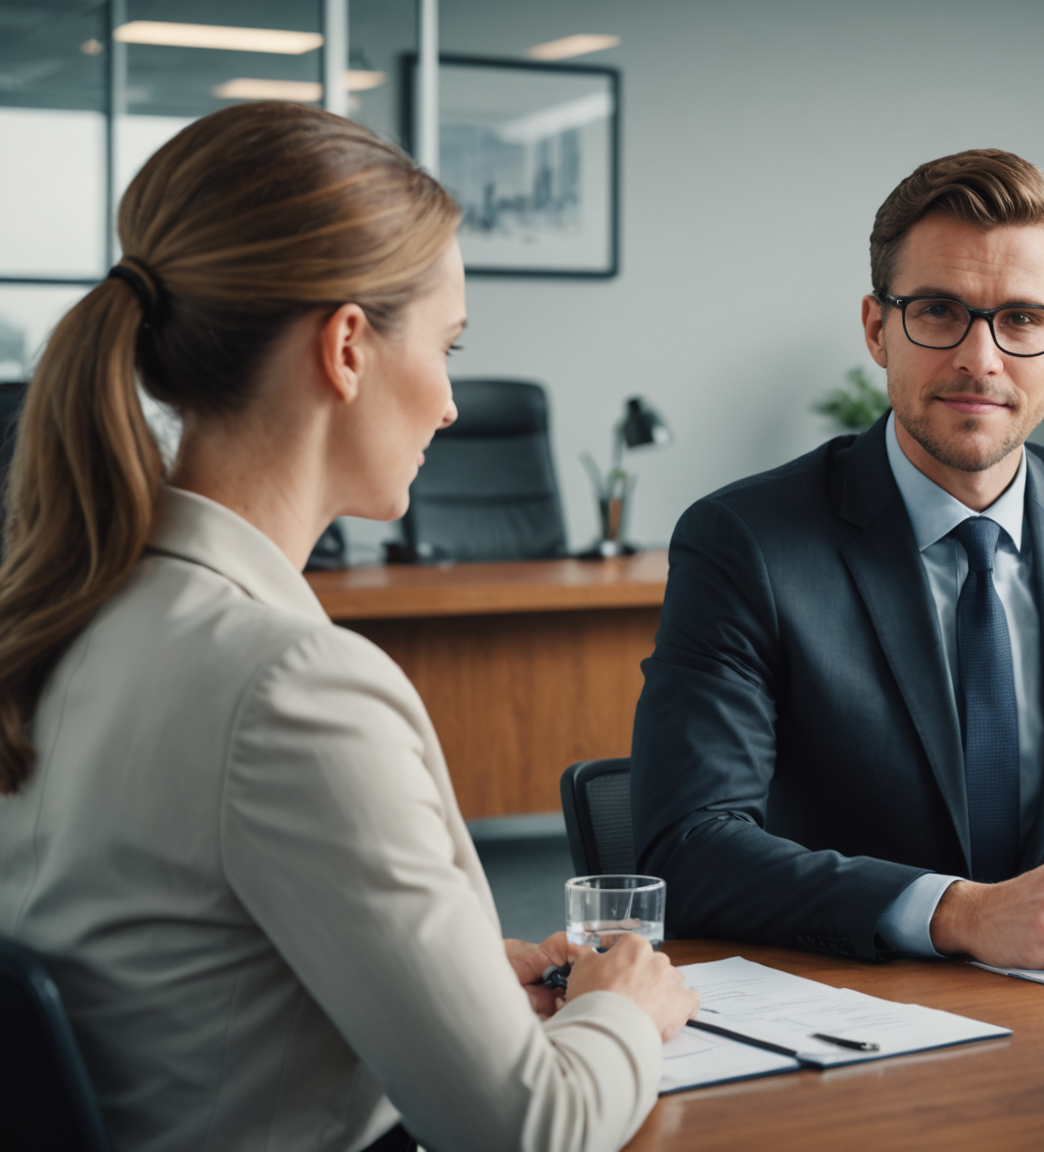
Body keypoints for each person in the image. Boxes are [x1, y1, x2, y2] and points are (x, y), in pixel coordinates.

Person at [0, 102, 697, 1152]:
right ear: (346, 347)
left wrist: (450, 975)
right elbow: (529, 1129)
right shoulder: (290, 687)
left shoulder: (73, 609)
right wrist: (625, 1011)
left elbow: (187, 974)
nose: (453, 405)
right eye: (448, 346)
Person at [631, 148, 1044, 969]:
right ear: (879, 329)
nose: (981, 359)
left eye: (1022, 319)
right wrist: (959, 913)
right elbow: (690, 846)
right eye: (940, 311)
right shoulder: (746, 542)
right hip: (839, 1002)